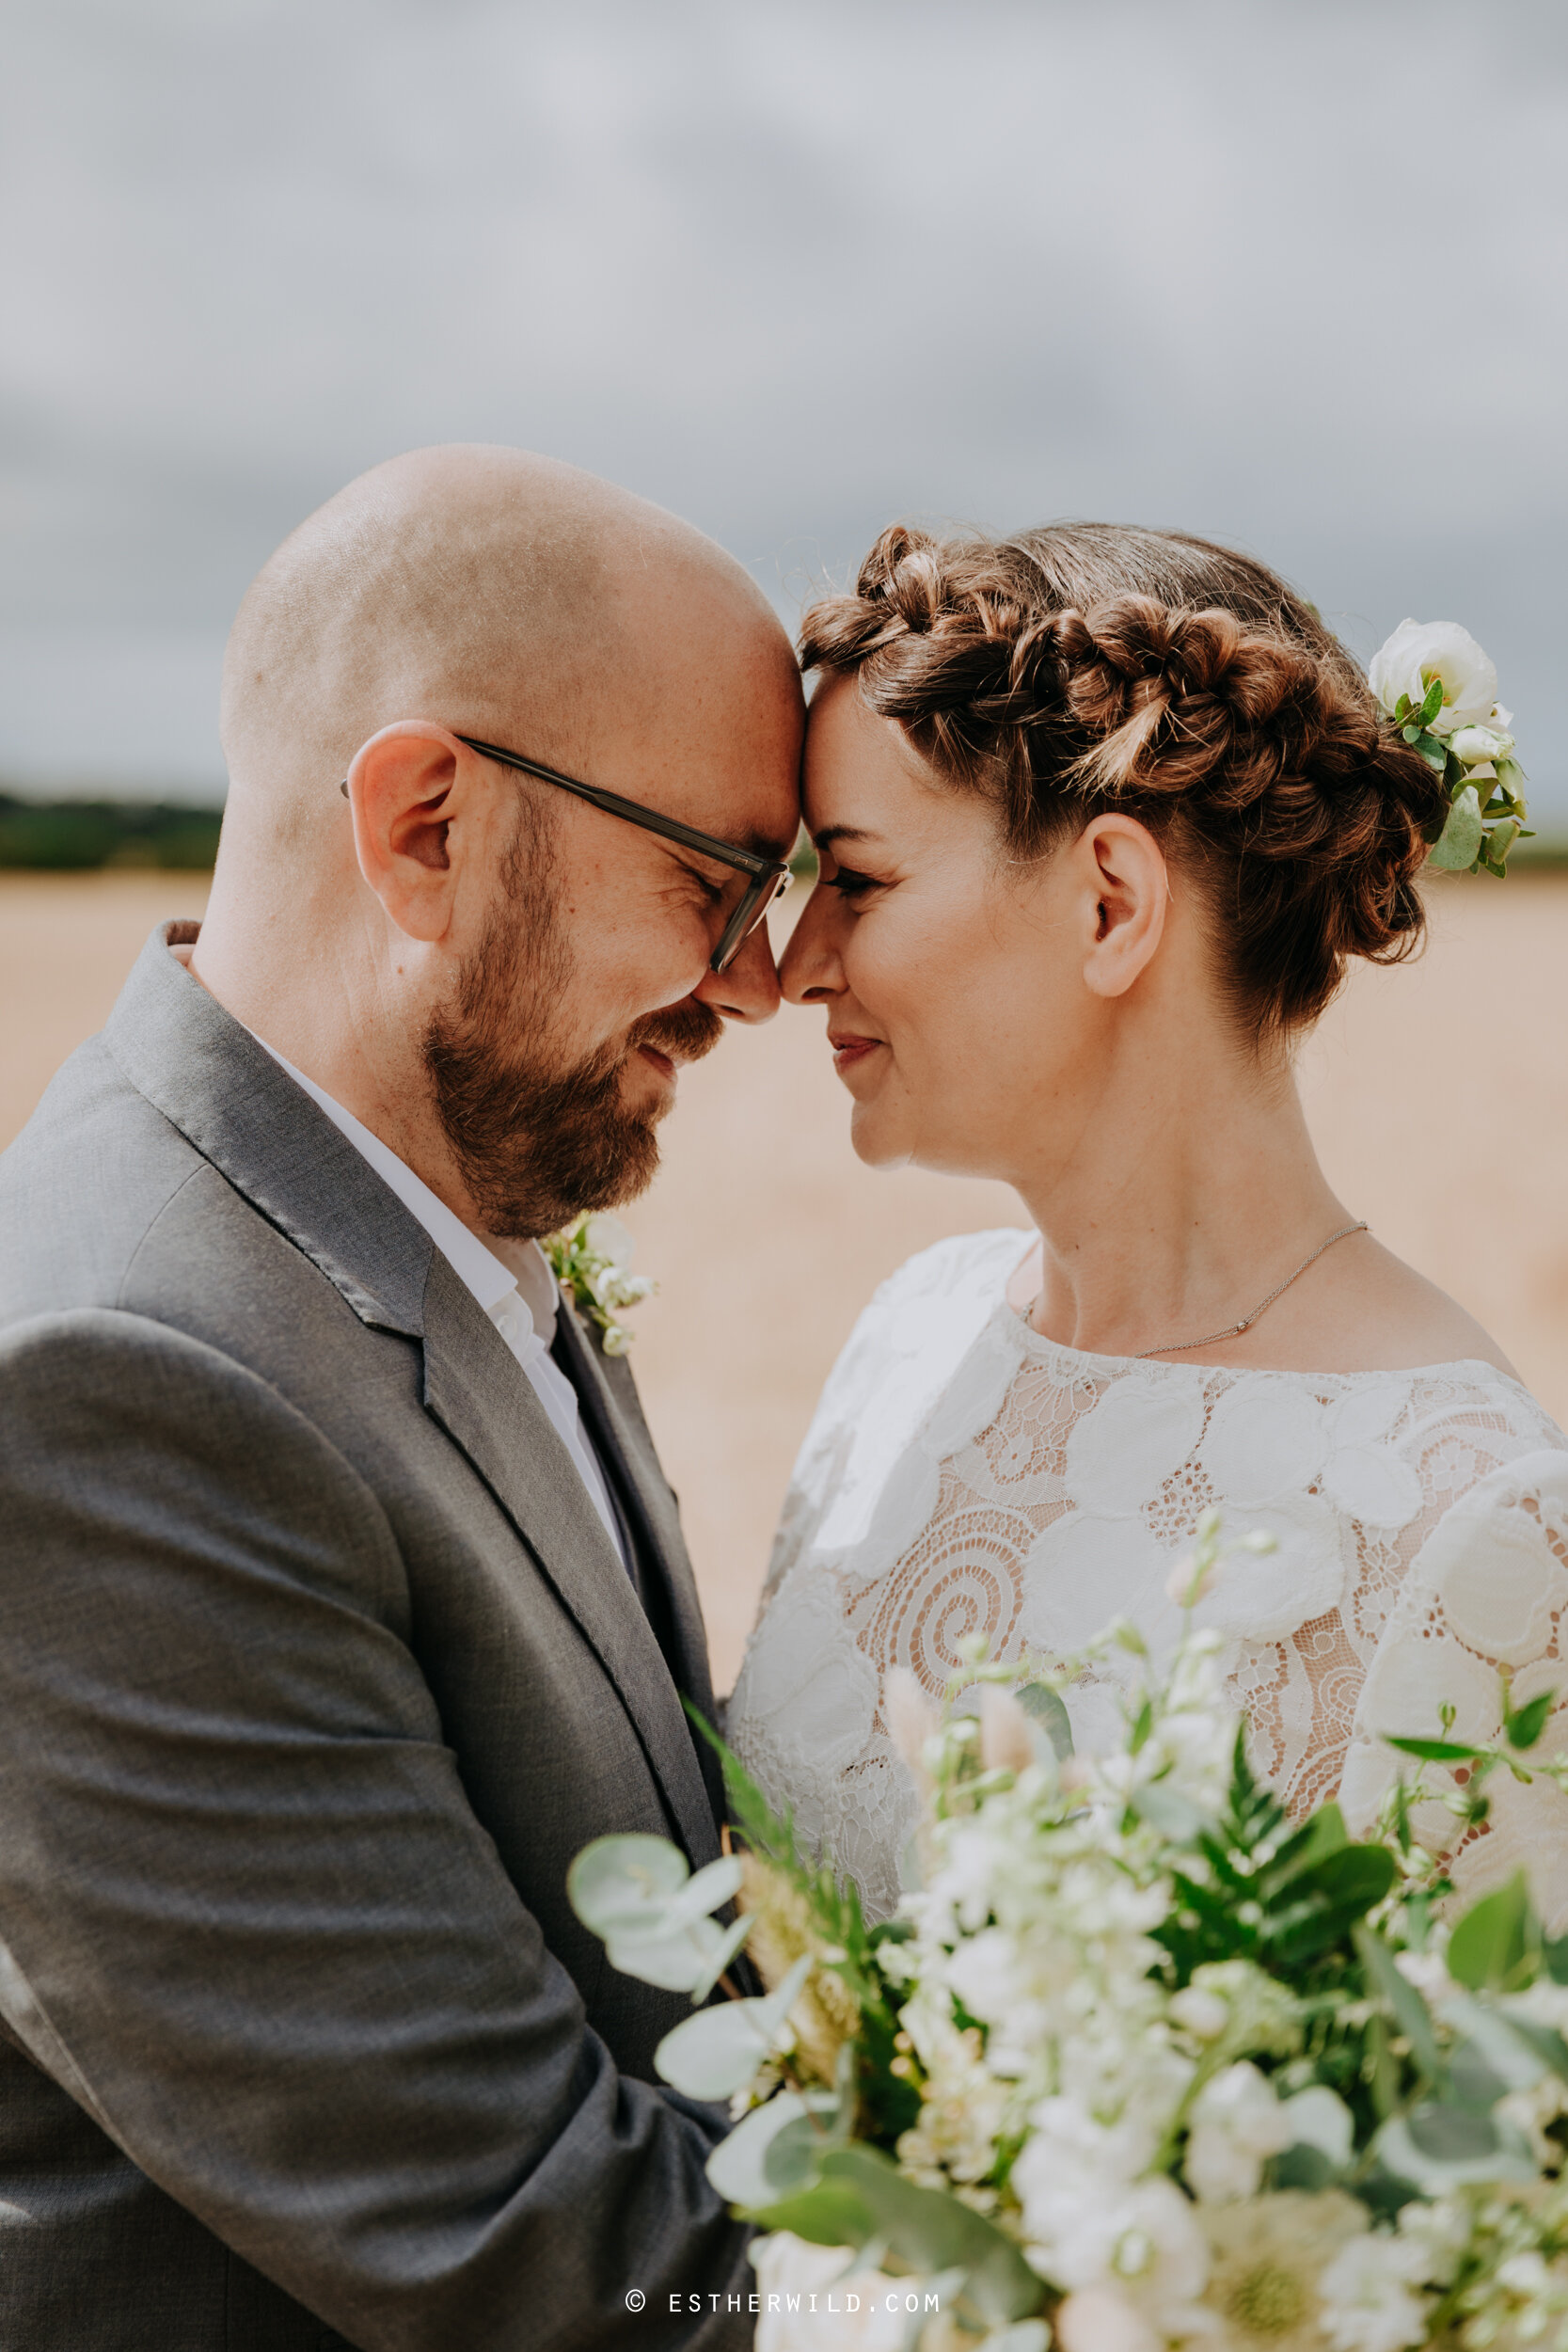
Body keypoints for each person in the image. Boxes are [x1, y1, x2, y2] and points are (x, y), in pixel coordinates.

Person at [0, 446, 801, 2349]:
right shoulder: (113, 1387)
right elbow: (526, 2236)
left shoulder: (428, 1191)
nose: (757, 982)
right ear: (425, 824)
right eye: (718, 877)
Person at [729, 520, 1568, 1931]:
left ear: (1112, 902)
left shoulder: (1475, 1525)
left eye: (859, 880)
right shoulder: (910, 1333)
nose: (798, 962)